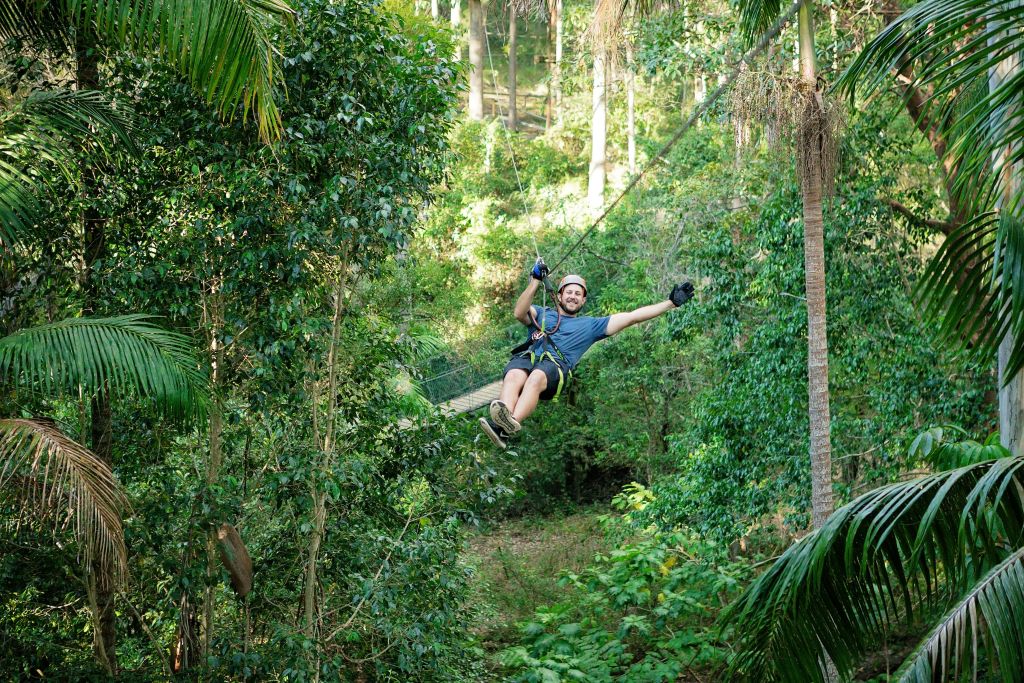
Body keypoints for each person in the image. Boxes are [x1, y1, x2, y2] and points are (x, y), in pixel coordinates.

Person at [480, 260, 694, 448]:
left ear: (583, 301)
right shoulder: (542, 313)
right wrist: (535, 281)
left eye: (578, 294)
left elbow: (632, 317)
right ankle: (502, 424)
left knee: (535, 377)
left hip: (555, 368)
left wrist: (670, 303)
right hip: (531, 357)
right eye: (569, 292)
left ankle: (511, 423)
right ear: (559, 295)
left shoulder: (591, 326)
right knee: (514, 374)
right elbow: (519, 312)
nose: (573, 297)